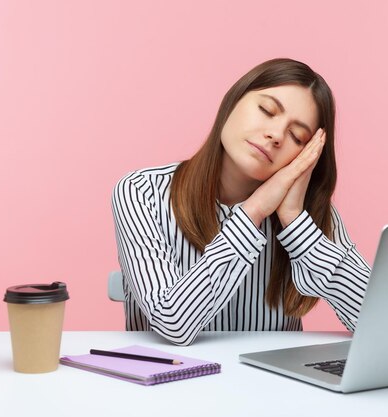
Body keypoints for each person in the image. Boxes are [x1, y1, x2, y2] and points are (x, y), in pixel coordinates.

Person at [111, 58, 371, 346]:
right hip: (169, 383)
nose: (275, 135)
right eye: (266, 110)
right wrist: (254, 212)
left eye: (297, 136)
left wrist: (296, 222)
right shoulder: (142, 191)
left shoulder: (310, 215)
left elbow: (381, 323)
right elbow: (174, 323)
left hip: (274, 387)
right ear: (232, 102)